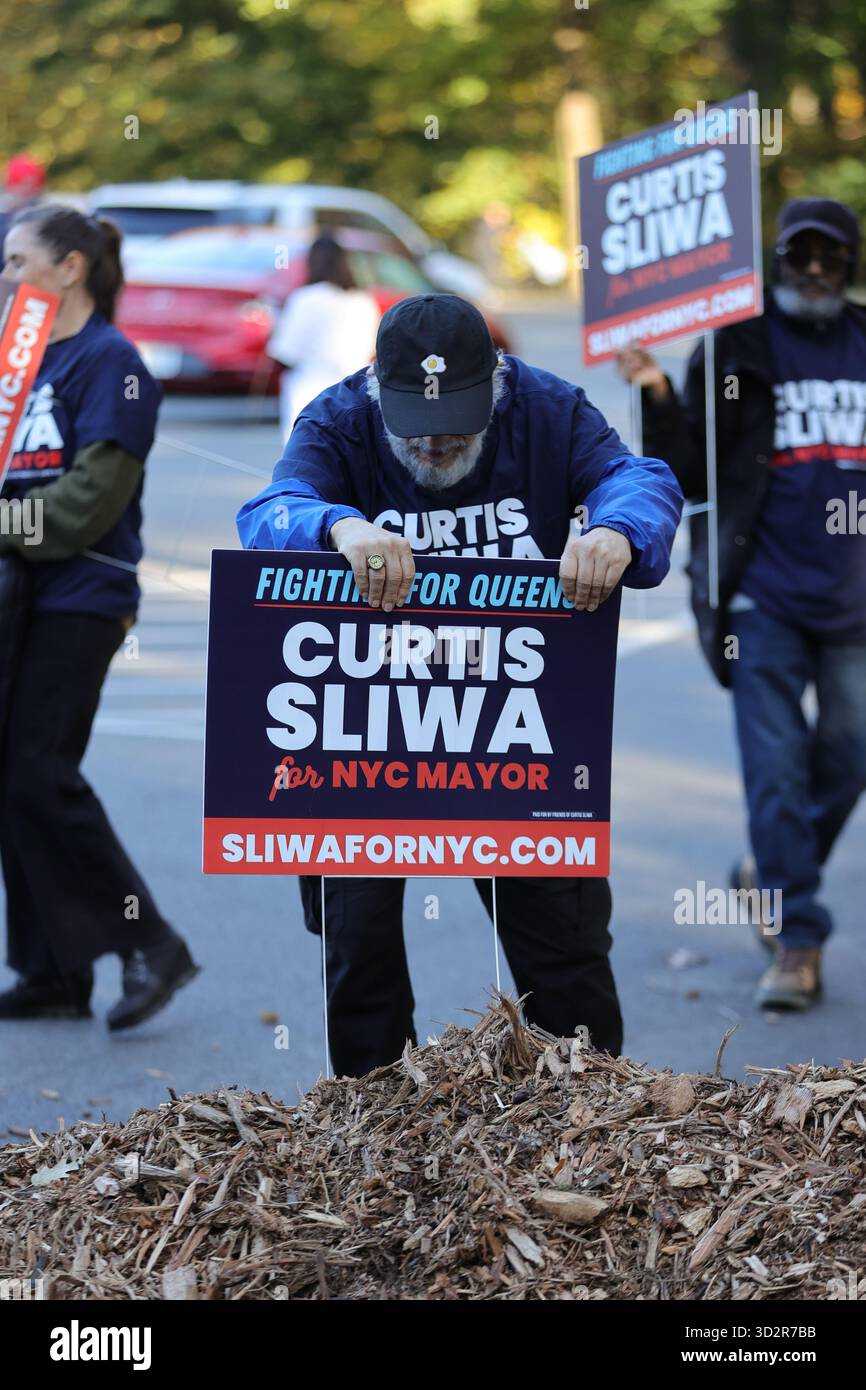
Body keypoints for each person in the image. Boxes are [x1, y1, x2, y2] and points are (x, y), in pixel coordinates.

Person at [238, 292, 683, 1077]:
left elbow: (640, 478)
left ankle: (589, 1120)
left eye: (459, 419)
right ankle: (376, 1125)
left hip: (516, 728)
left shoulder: (549, 407)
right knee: (359, 944)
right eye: (417, 422)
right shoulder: (335, 418)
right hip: (369, 728)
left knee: (567, 953)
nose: (438, 441)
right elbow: (269, 511)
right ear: (377, 387)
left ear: (499, 382)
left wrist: (617, 529)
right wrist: (338, 526)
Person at [619, 198, 866, 1013]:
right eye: (802, 253)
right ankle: (797, 936)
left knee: (851, 751)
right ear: (779, 259)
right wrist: (656, 392)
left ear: (850, 260)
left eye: (831, 254)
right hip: (760, 594)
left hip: (855, 598)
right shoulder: (735, 346)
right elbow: (689, 473)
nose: (817, 267)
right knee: (774, 772)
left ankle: (771, 869)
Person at [0, 204, 200, 1029]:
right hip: (20, 591)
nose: (6, 274)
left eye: (17, 260)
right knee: (13, 776)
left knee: (40, 770)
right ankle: (54, 969)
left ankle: (153, 942)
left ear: (69, 267)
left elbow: (84, 506)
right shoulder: (20, 357)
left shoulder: (115, 365)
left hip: (83, 595)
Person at [268, 234, 379, 443]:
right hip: (355, 394)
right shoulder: (363, 301)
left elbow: (284, 352)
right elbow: (372, 351)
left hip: (308, 393)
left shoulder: (305, 299)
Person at [0, 153, 46, 247]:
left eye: (34, 186)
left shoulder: (41, 216)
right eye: (23, 184)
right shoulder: (4, 217)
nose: (29, 191)